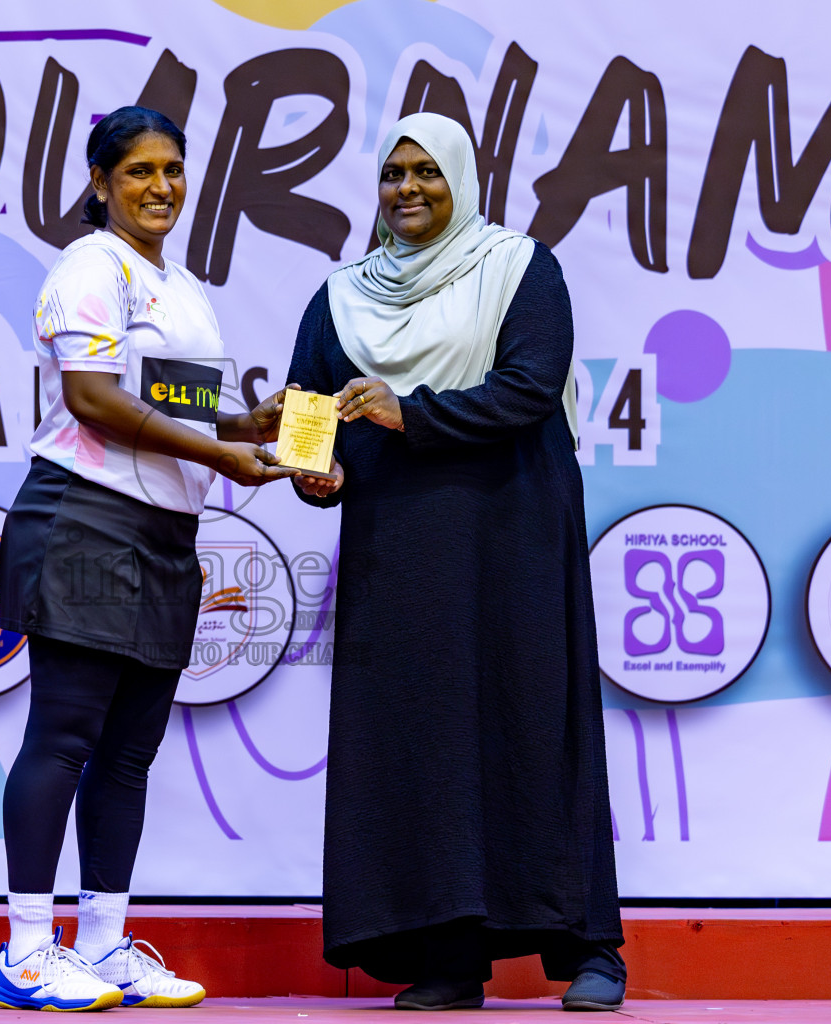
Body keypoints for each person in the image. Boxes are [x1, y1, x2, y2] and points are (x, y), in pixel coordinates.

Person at [285, 112, 627, 1012]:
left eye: (426, 173)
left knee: (536, 724)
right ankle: (448, 957)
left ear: (462, 180)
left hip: (512, 528)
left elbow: (526, 387)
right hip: (398, 547)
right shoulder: (340, 295)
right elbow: (307, 412)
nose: (407, 190)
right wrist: (311, 476)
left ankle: (591, 947)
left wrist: (410, 413)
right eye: (393, 174)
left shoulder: (518, 268)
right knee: (420, 743)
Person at [0, 105, 297, 1012]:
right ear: (99, 183)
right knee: (66, 738)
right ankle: (27, 951)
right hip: (86, 520)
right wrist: (222, 455)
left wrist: (255, 426)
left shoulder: (180, 285)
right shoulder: (90, 268)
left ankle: (106, 943)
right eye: (138, 172)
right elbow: (92, 400)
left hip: (165, 534)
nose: (160, 187)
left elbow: (178, 409)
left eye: (172, 169)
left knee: (127, 757)